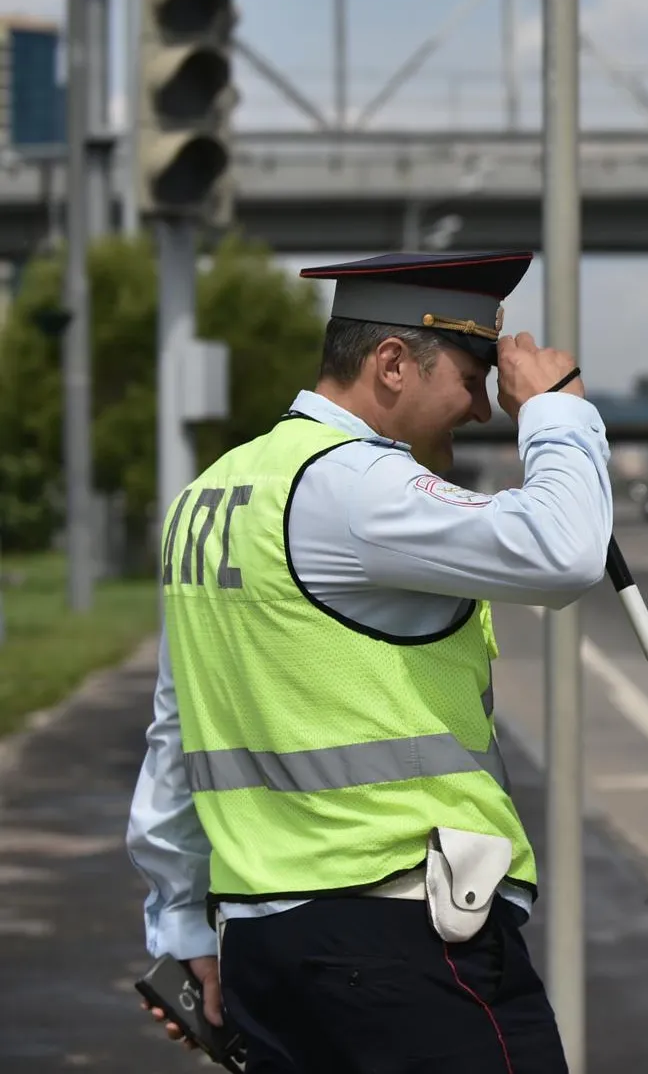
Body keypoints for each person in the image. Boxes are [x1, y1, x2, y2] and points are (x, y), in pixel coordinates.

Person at [127, 250, 612, 1073]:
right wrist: (559, 415)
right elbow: (563, 554)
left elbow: (176, 733)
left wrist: (179, 922)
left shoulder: (213, 492)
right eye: (471, 375)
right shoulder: (351, 485)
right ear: (393, 363)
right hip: (395, 943)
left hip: (264, 944)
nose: (484, 410)